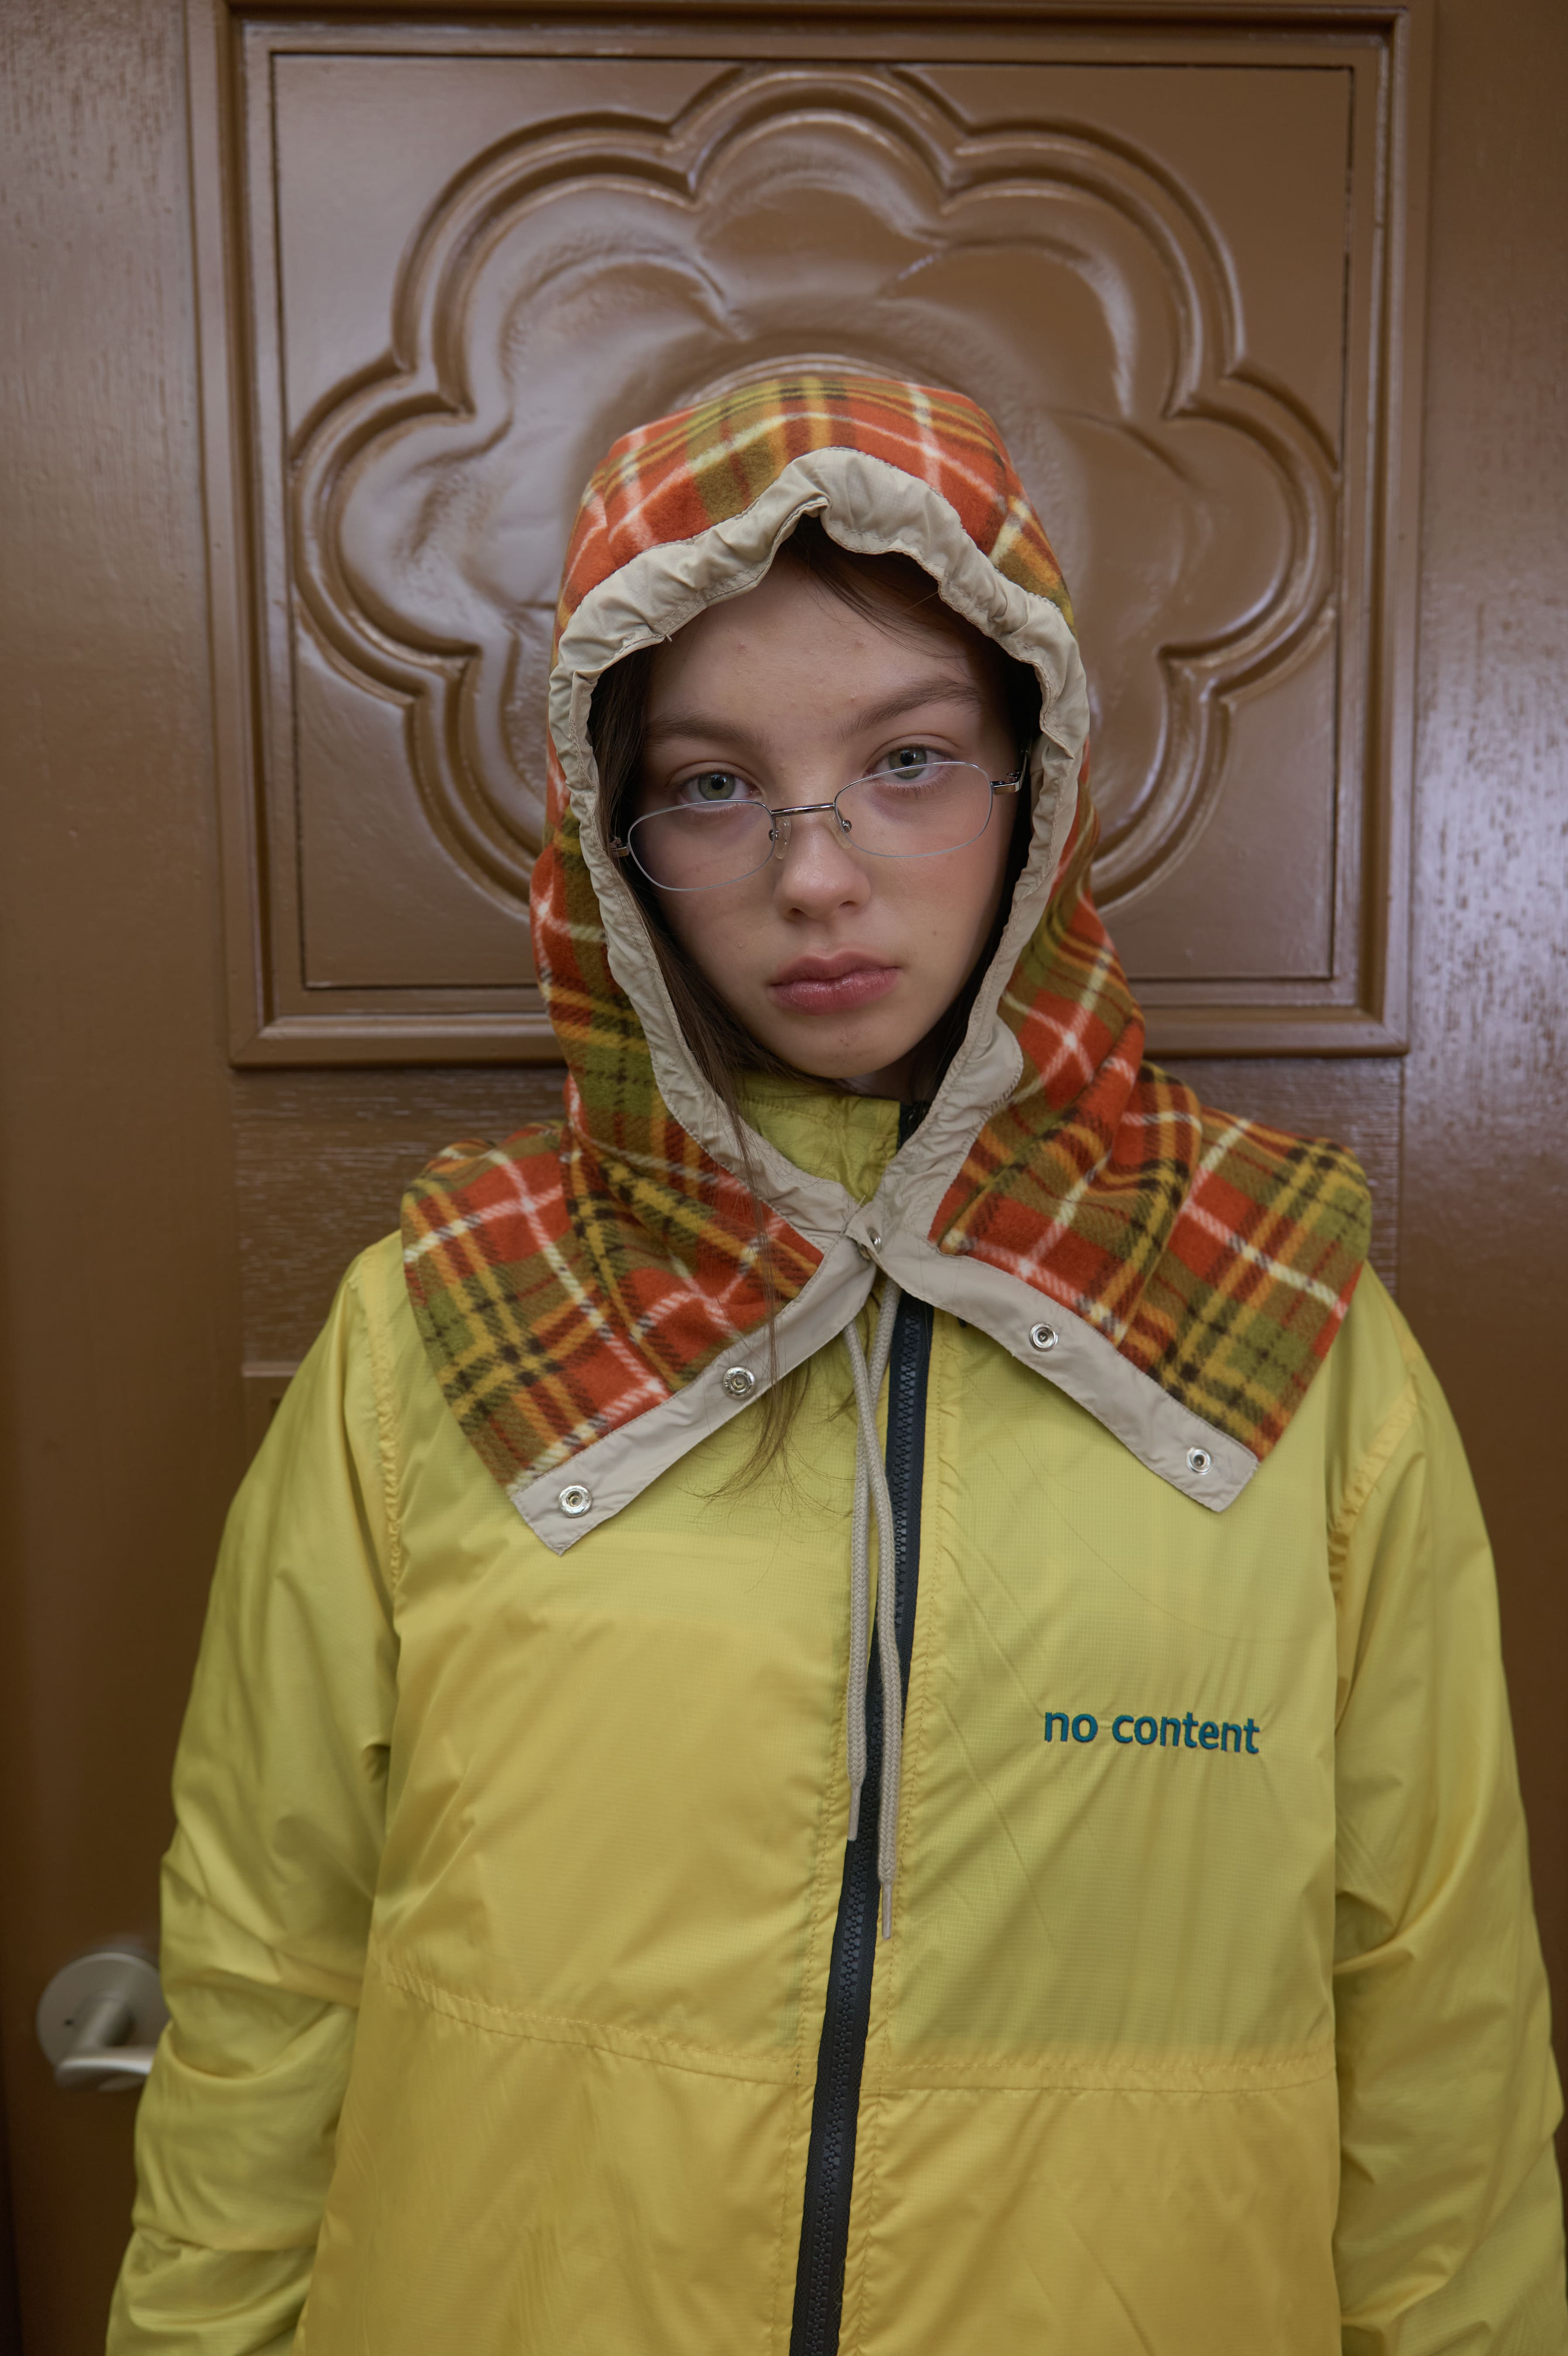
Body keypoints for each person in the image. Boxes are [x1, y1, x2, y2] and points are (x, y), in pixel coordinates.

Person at [109, 375, 1565, 2354]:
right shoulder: (437, 1322)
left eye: (909, 761)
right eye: (713, 785)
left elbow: (1439, 2030)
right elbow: (264, 1974)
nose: (815, 875)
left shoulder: (1285, 1334)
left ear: (1038, 776)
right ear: (611, 837)